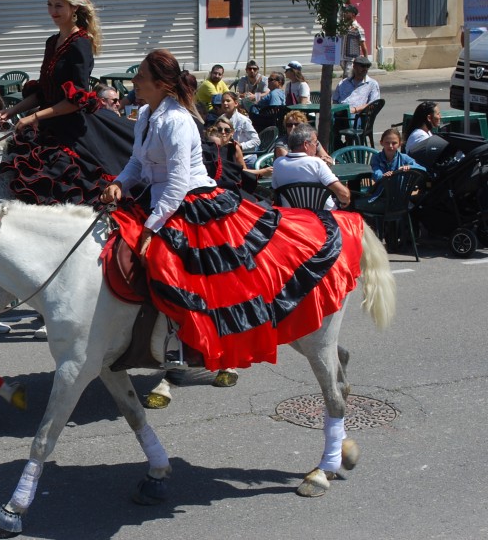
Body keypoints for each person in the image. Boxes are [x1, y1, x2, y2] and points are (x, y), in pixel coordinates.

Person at [99, 49, 365, 375]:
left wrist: (153, 227)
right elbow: (138, 163)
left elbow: (179, 182)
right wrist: (120, 183)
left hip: (189, 201)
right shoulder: (144, 115)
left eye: (141, 75)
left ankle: (183, 344)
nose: (135, 81)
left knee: (169, 264)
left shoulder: (177, 120)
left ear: (161, 84)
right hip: (158, 200)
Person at [0, 0, 133, 207]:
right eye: (49, 4)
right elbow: (44, 92)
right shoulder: (52, 41)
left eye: (58, 5)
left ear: (74, 6)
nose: (53, 11)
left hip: (72, 130)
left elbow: (76, 100)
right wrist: (12, 111)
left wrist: (34, 116)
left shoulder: (80, 43)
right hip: (48, 125)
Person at [272, 123, 352, 210]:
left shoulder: (277, 163)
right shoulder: (317, 163)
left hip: (292, 219)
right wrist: (344, 201)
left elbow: (275, 193)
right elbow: (344, 195)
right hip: (324, 218)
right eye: (315, 143)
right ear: (306, 144)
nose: (316, 146)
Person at [218, 91, 260, 165]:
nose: (225, 103)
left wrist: (240, 146)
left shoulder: (243, 120)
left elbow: (256, 140)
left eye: (228, 101)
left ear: (236, 103)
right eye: (223, 101)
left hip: (246, 158)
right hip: (228, 158)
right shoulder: (220, 119)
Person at [339, 5, 368, 79]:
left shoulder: (358, 28)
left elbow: (363, 46)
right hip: (343, 59)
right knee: (346, 80)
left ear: (353, 14)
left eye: (347, 12)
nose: (344, 14)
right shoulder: (344, 27)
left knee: (348, 80)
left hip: (352, 60)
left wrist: (365, 62)